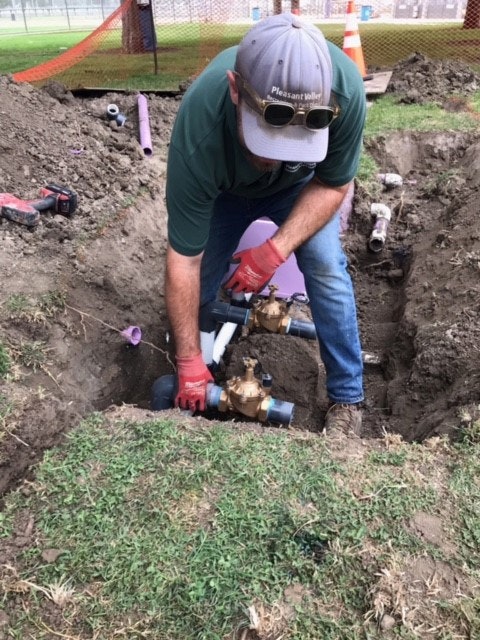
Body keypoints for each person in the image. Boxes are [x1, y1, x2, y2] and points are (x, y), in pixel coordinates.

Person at [165, 12, 366, 436]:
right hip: (226, 190)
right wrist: (187, 362)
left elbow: (334, 182)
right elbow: (184, 261)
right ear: (236, 90)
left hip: (301, 189)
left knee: (327, 269)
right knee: (200, 286)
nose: (274, 156)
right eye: (267, 138)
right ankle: (201, 364)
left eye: (294, 141)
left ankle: (347, 398)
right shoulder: (200, 128)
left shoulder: (344, 91)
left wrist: (277, 248)